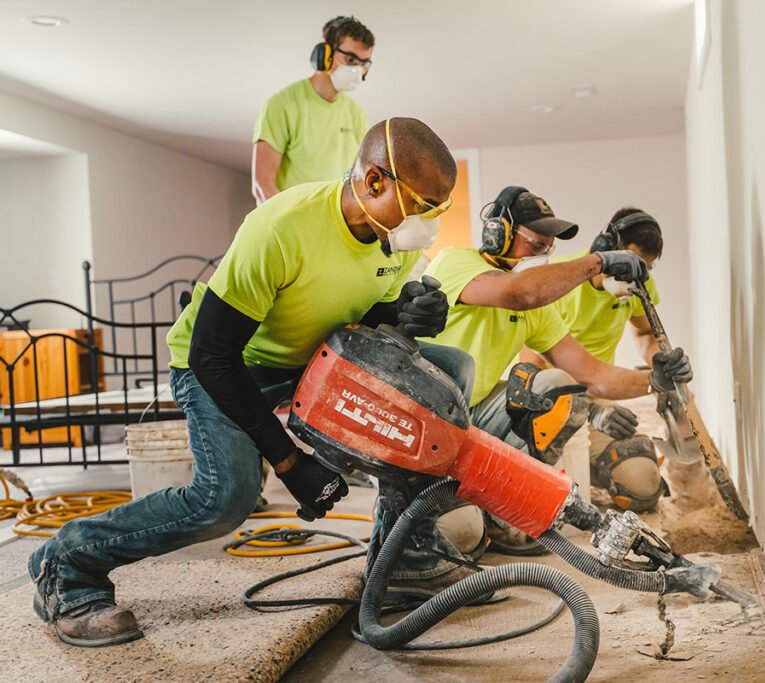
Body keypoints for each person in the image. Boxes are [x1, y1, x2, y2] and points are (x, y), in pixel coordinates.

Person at [29, 117, 467, 647]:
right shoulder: (281, 228)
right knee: (223, 499)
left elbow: (365, 314)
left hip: (310, 358)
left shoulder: (389, 239)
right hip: (223, 365)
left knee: (448, 371)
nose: (429, 222)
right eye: (423, 204)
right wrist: (289, 461)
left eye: (437, 210)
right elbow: (212, 355)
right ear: (375, 182)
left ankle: (403, 554)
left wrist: (412, 313)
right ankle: (67, 563)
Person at [421, 186, 692, 552]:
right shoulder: (458, 263)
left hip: (478, 415)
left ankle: (503, 506)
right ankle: (459, 504)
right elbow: (520, 293)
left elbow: (591, 374)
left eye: (549, 247)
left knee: (555, 387)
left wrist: (655, 380)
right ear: (497, 235)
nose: (544, 254)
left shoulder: (538, 307)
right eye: (537, 244)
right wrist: (598, 262)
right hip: (426, 419)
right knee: (460, 535)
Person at [521, 207, 669, 511]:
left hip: (597, 396)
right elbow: (533, 375)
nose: (636, 277)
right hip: (544, 408)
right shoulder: (557, 283)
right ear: (606, 248)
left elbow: (645, 334)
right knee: (532, 506)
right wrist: (587, 411)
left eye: (645, 269)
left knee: (642, 485)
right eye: (631, 264)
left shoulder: (638, 283)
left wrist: (660, 365)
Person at [252, 15, 374, 204]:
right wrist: (291, 227)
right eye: (350, 59)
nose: (357, 69)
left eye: (363, 64)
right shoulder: (282, 104)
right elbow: (263, 184)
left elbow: (353, 184)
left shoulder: (357, 115)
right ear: (325, 54)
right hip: (287, 225)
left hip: (330, 225)